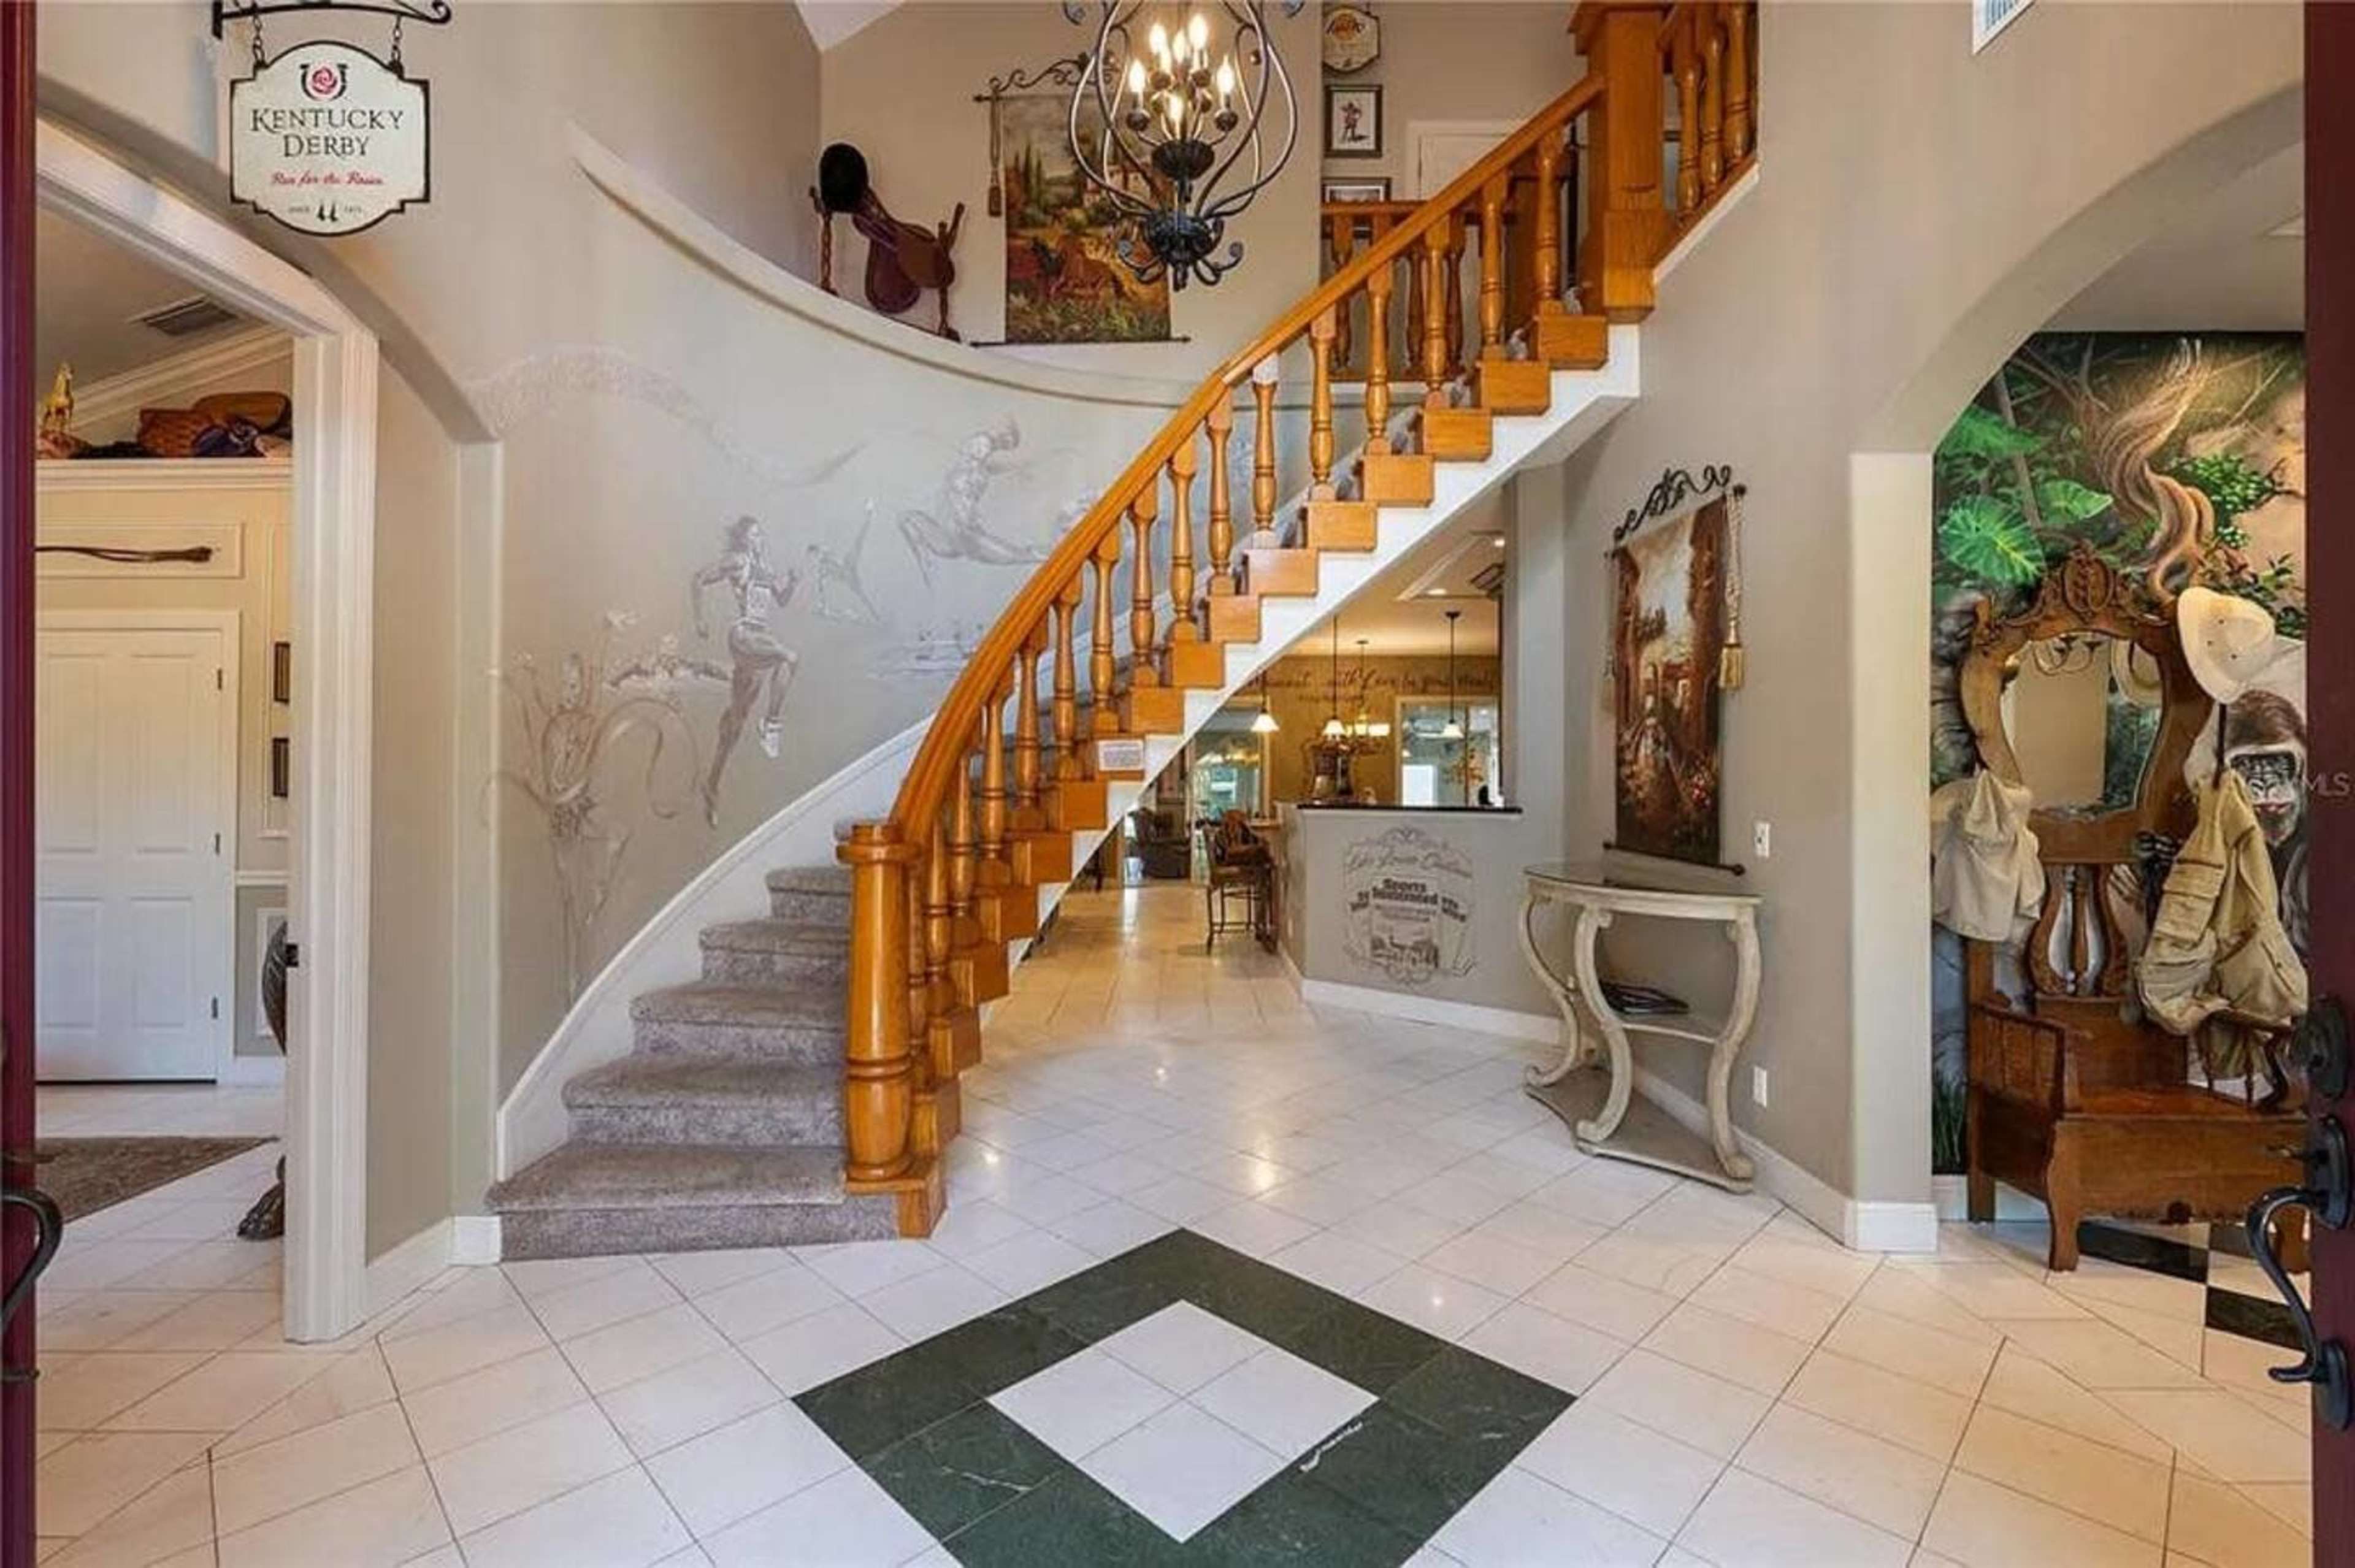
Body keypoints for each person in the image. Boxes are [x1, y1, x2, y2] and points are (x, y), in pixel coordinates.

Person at [692, 516, 801, 825]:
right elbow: (698, 578)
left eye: (761, 533)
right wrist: (699, 619)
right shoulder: (738, 562)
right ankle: (772, 724)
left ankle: (712, 785)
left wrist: (792, 582)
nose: (759, 538)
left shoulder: (765, 568)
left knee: (735, 725)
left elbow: (781, 600)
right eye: (754, 534)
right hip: (744, 636)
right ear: (744, 539)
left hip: (759, 642)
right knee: (789, 658)